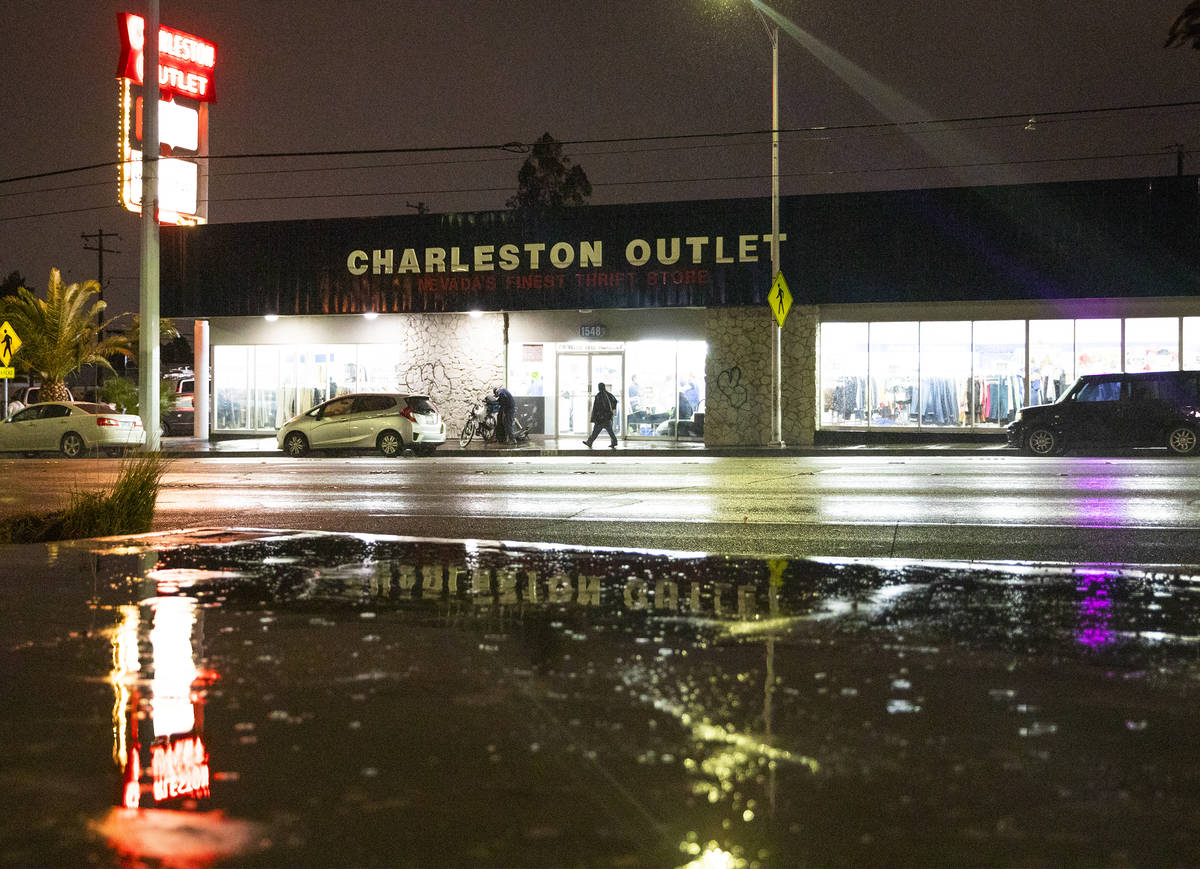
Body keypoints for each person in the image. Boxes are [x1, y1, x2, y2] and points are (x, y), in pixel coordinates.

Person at [582, 382, 618, 449]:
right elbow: (615, 401)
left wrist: (595, 417)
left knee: (596, 431)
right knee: (610, 431)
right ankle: (614, 442)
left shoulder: (599, 396)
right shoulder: (609, 394)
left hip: (601, 418)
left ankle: (589, 442)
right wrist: (611, 410)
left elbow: (596, 408)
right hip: (608, 417)